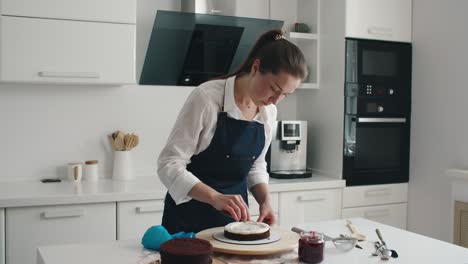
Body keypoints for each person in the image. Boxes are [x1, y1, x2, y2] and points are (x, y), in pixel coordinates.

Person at [157, 29, 308, 234]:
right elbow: (169, 164)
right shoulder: (207, 98)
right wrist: (214, 197)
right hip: (188, 222)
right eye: (274, 88)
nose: (276, 100)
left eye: (285, 95)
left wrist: (265, 201)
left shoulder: (268, 112)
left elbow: (255, 165)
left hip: (236, 227)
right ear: (256, 67)